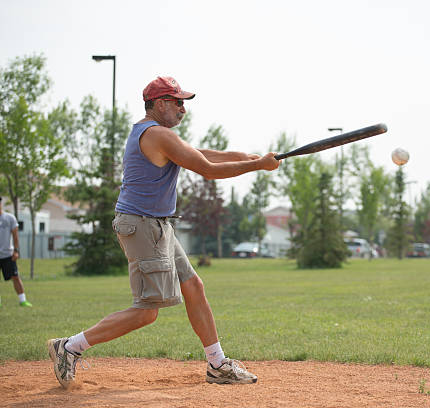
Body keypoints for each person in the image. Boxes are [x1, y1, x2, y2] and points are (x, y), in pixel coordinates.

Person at [47, 76, 280, 388]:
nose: (183, 109)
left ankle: (217, 363)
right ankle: (70, 347)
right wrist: (257, 167)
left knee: (194, 286)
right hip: (143, 225)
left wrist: (253, 158)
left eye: (184, 102)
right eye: (177, 101)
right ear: (158, 104)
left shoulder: (157, 134)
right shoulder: (157, 135)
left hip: (157, 225)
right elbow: (208, 170)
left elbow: (207, 154)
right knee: (147, 313)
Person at [0, 197, 32, 308]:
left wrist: (16, 251)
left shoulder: (9, 218)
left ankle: (23, 300)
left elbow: (15, 236)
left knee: (15, 277)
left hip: (8, 254)